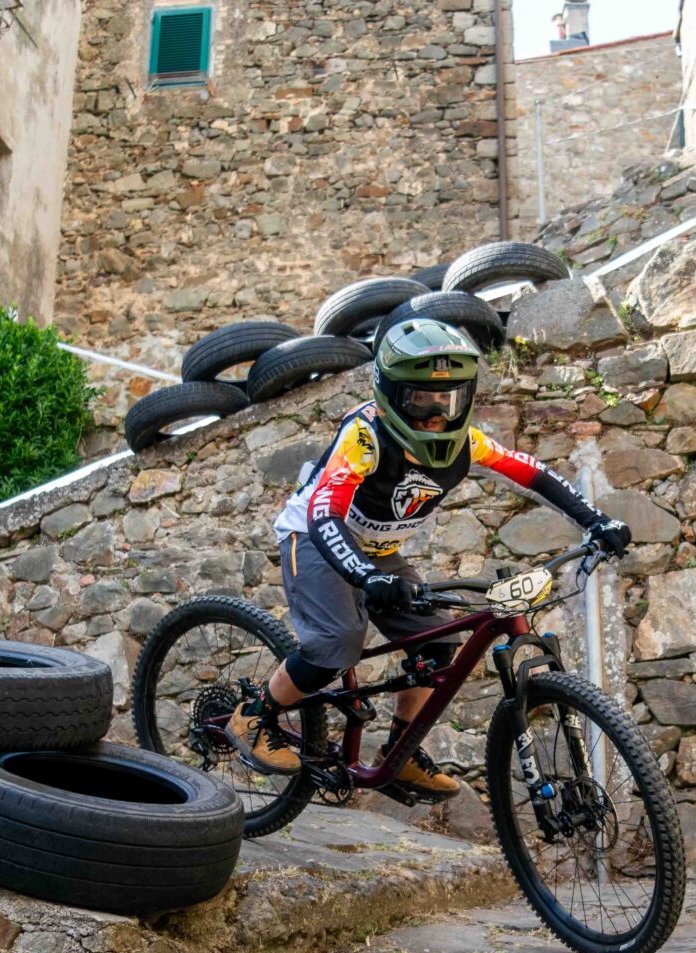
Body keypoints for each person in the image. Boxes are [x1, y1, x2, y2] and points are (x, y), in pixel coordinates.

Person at [227, 318, 631, 798]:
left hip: (377, 551)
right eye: (421, 400)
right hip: (315, 538)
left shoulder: (467, 443)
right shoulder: (365, 437)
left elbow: (530, 471)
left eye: (449, 399)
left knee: (438, 644)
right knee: (336, 642)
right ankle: (253, 715)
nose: (437, 413)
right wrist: (365, 576)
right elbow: (323, 513)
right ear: (392, 396)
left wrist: (595, 520)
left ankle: (398, 754)